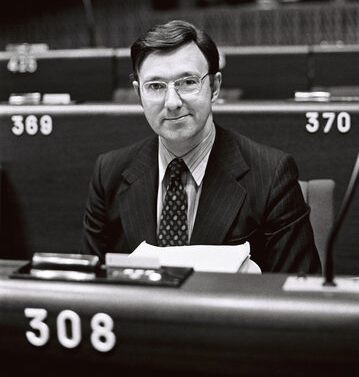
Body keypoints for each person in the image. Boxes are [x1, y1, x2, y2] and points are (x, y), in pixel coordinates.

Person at [81, 19, 321, 274]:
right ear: (138, 94)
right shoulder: (109, 173)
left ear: (214, 87)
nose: (172, 102)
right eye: (155, 86)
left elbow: (299, 291)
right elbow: (90, 287)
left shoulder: (271, 175)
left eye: (188, 82)